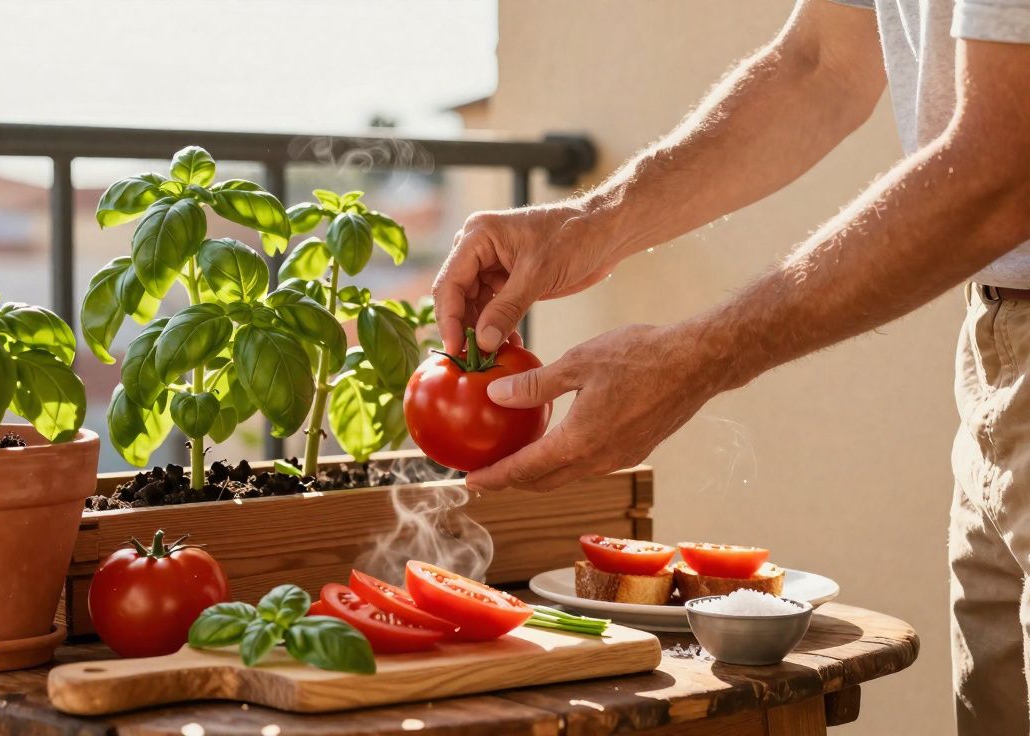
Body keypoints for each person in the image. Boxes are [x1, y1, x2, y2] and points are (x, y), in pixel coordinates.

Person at [432, 0, 1030, 732]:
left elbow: (1004, 165)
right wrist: (590, 224)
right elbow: (821, 61)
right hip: (995, 342)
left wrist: (698, 358)